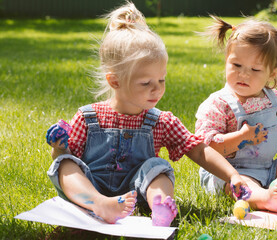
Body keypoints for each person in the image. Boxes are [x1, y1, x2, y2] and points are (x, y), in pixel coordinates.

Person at [45, 2, 247, 227]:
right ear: (115, 81)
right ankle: (99, 203)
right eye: (146, 83)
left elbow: (199, 151)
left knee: (158, 167)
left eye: (161, 80)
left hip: (139, 193)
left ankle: (159, 206)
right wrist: (59, 147)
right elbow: (67, 162)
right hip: (92, 189)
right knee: (65, 163)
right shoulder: (88, 117)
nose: (157, 89)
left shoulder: (161, 121)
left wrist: (232, 175)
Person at [195, 15, 277, 213]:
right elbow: (206, 148)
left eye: (255, 69)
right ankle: (266, 198)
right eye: (236, 65)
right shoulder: (219, 103)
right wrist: (241, 137)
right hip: (231, 172)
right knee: (240, 182)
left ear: (272, 73)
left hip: (267, 169)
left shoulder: (272, 98)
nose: (244, 74)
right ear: (227, 61)